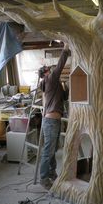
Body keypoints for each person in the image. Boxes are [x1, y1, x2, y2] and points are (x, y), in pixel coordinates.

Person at [39, 43, 69, 190]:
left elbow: (64, 97)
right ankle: (44, 178)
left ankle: (52, 173)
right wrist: (65, 50)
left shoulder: (54, 84)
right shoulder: (49, 80)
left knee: (53, 150)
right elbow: (60, 66)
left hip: (54, 121)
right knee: (48, 151)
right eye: (48, 70)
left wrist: (65, 86)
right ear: (45, 74)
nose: (51, 70)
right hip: (50, 121)